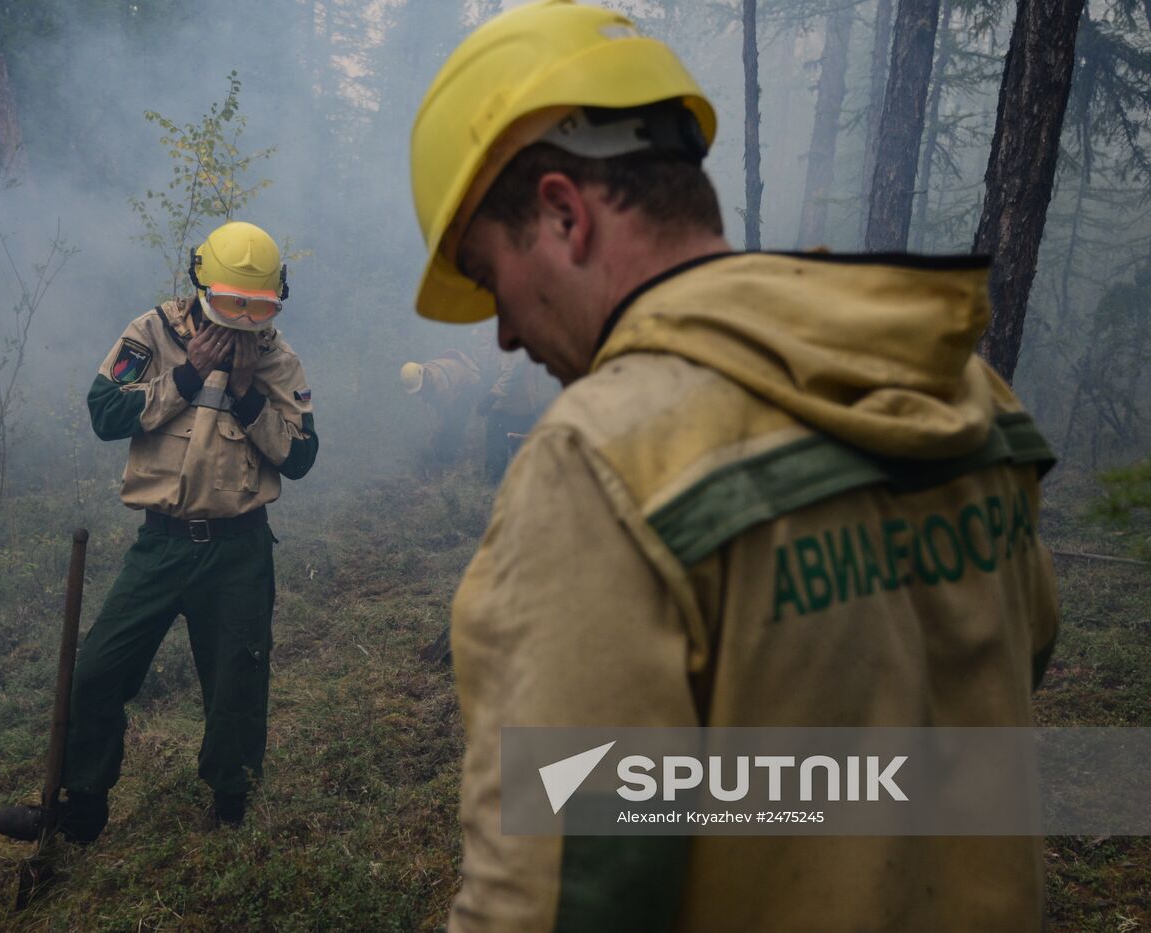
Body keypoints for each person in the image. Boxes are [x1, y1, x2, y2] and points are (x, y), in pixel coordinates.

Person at [408, 2, 1059, 930]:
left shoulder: (600, 458)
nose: (505, 330)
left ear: (561, 212)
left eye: (488, 275)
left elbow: (561, 889)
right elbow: (1012, 662)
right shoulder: (965, 387)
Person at [0, 220, 318, 841]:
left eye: (258, 306)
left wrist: (249, 396)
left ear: (277, 298)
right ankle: (79, 810)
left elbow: (300, 458)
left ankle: (230, 811)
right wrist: (188, 376)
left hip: (240, 548)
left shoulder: (278, 359)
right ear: (202, 286)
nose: (243, 320)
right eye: (229, 303)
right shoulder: (151, 334)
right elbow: (104, 413)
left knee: (237, 682)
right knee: (96, 673)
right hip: (162, 542)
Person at [400, 350, 480, 471]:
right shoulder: (420, 373)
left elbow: (445, 410)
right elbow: (426, 401)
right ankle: (442, 451)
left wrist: (437, 432)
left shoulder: (440, 384)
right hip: (454, 382)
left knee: (453, 423)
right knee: (444, 427)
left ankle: (450, 460)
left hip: (468, 384)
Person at [475, 349, 541, 481]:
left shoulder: (514, 346)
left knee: (502, 450)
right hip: (516, 407)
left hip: (513, 408)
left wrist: (491, 398)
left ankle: (496, 484)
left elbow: (512, 374)